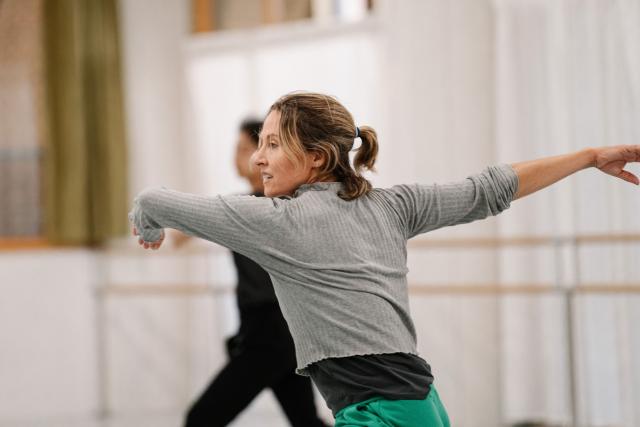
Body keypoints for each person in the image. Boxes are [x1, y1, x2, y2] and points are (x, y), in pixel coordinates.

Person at [130, 92, 640, 427]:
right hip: (414, 406)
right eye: (257, 145)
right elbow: (490, 188)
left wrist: (149, 225)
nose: (258, 158)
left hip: (385, 413)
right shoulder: (391, 205)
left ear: (316, 158)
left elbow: (155, 198)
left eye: (271, 145)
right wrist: (589, 156)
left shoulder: (275, 222)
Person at [174, 119, 329, 427]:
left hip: (270, 335)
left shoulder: (283, 207)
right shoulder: (243, 206)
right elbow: (209, 213)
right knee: (307, 422)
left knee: (201, 418)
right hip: (279, 334)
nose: (237, 156)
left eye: (244, 148)